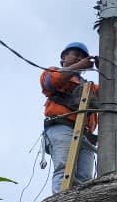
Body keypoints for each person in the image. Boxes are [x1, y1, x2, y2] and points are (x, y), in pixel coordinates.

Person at [40, 41, 100, 193]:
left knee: (85, 180)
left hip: (85, 135)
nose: (79, 58)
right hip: (62, 127)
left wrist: (104, 69)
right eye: (76, 55)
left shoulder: (89, 87)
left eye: (82, 58)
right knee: (65, 169)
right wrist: (78, 66)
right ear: (64, 57)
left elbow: (111, 92)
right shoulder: (53, 72)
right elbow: (50, 82)